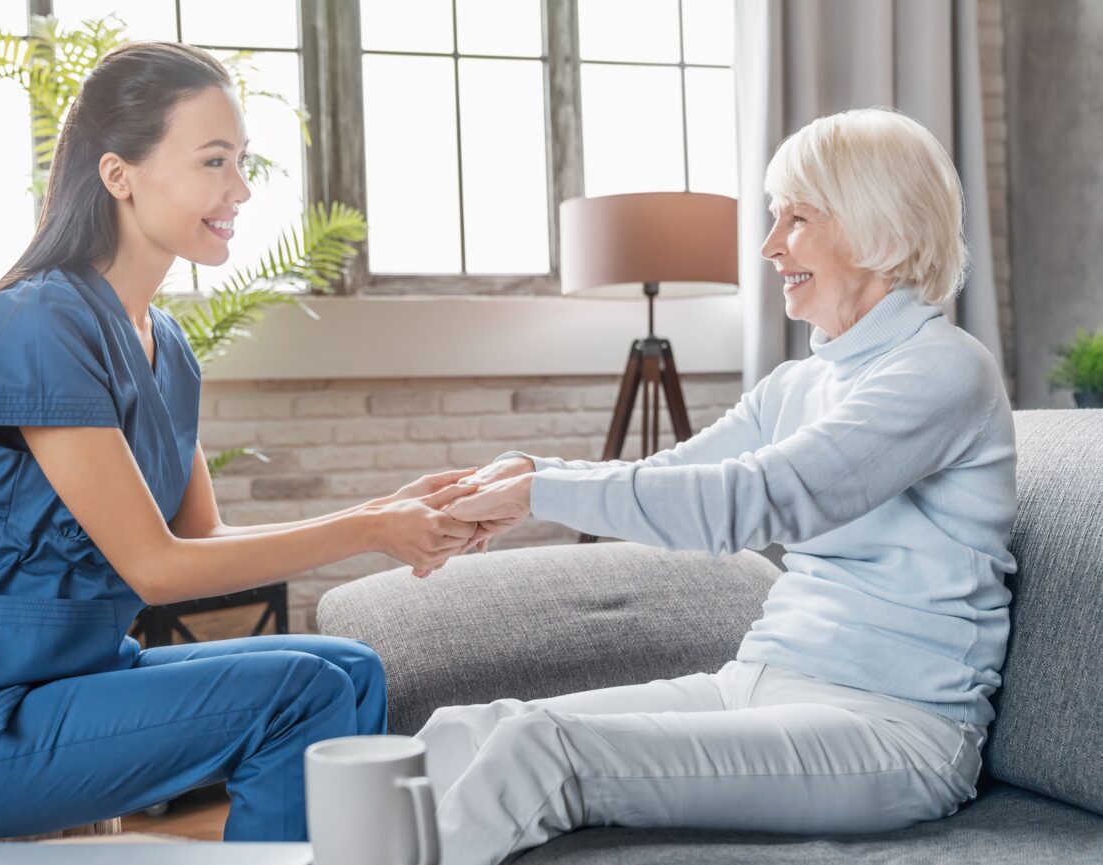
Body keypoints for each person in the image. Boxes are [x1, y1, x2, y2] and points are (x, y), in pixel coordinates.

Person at [0, 41, 480, 841]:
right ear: (120, 174)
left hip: (78, 681)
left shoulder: (169, 345)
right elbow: (154, 569)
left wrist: (382, 509)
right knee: (297, 693)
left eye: (242, 161)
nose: (240, 188)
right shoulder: (39, 322)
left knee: (350, 668)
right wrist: (370, 530)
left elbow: (202, 540)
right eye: (214, 161)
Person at [421, 107, 1019, 865]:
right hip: (756, 682)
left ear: (885, 234)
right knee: (463, 731)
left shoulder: (943, 370)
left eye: (797, 219)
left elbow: (753, 498)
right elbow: (674, 476)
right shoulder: (798, 383)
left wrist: (539, 494)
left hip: (897, 728)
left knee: (538, 749)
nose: (770, 247)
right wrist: (532, 472)